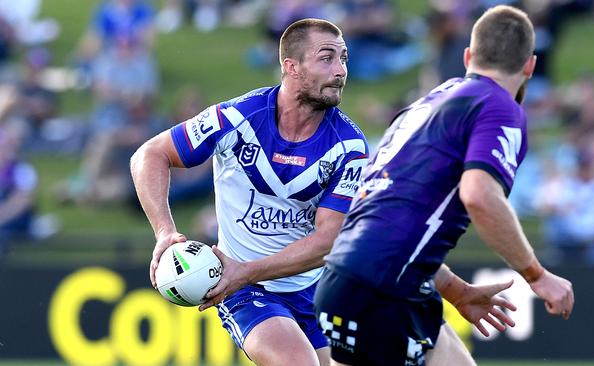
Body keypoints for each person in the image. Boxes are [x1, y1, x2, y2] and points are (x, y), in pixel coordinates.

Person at [131, 17, 518, 366]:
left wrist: (244, 272)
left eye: (344, 59)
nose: (341, 71)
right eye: (327, 58)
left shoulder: (348, 146)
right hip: (250, 292)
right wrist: (165, 232)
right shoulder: (237, 118)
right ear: (291, 66)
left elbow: (330, 240)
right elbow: (150, 154)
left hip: (313, 285)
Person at [313, 5, 575, 366]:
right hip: (384, 290)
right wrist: (537, 275)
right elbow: (479, 195)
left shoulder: (423, 106)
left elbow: (385, 222)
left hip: (355, 278)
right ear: (529, 65)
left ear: (469, 56)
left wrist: (457, 291)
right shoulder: (499, 106)